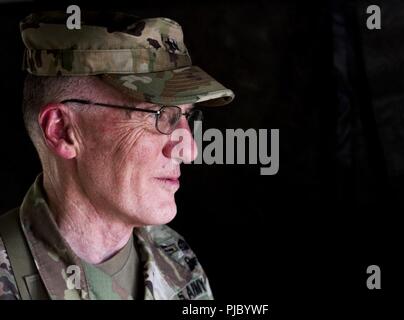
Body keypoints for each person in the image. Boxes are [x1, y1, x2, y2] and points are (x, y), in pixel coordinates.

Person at [0, 11, 234, 300]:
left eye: (186, 117)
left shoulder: (176, 256)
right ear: (62, 131)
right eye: (159, 116)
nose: (189, 150)